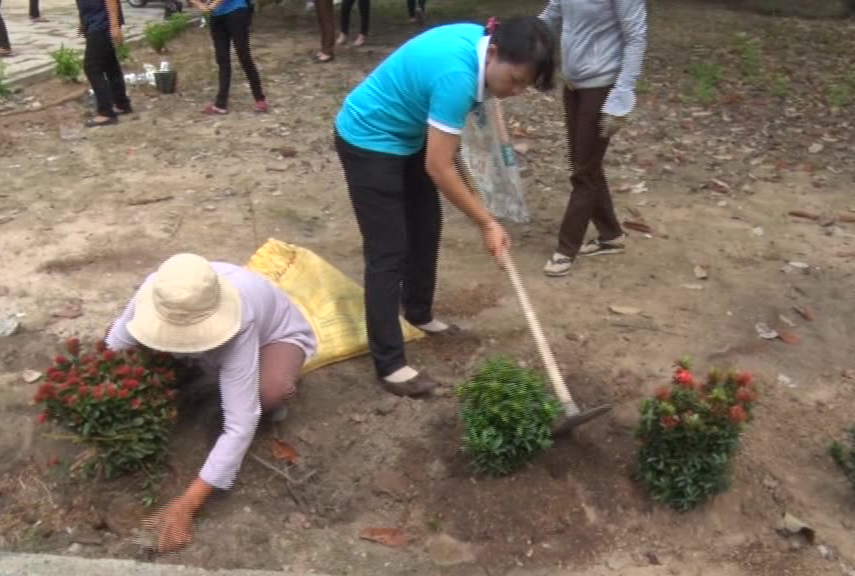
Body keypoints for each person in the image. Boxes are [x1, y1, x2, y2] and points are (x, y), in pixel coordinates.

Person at [334, 17, 556, 396]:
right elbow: (438, 167)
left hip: (409, 133)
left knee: (425, 228)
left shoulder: (482, 48)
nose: (515, 91)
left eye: (525, 86)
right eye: (515, 80)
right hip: (368, 138)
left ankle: (418, 312)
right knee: (388, 251)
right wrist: (487, 223)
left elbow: (447, 145)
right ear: (496, 52)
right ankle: (390, 364)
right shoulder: (457, 74)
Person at [105, 254, 317, 553]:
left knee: (268, 394)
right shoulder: (158, 291)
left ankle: (269, 376)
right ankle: (209, 374)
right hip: (210, 350)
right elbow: (115, 345)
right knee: (153, 363)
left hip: (273, 338)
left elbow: (240, 424)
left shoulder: (240, 317)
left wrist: (188, 503)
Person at [538, 0, 647, 277]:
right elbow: (552, 15)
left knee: (583, 171)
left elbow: (635, 37)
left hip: (602, 87)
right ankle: (611, 235)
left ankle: (566, 248)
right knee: (585, 163)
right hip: (573, 83)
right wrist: (515, 35)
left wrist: (622, 95)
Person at [190, 0, 268, 114]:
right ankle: (220, 104)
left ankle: (260, 99)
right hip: (216, 17)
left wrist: (213, 4)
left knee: (243, 55)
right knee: (222, 59)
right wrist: (200, 5)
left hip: (236, 11)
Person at [78, 0, 132, 127]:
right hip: (94, 22)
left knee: (92, 67)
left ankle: (106, 113)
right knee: (109, 64)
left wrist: (114, 26)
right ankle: (122, 104)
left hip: (101, 24)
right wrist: (83, 23)